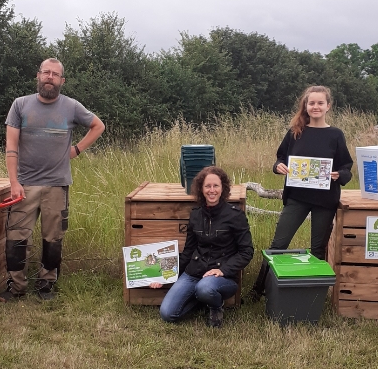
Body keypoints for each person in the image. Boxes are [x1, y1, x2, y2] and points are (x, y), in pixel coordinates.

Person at [0, 58, 105, 301]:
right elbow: (11, 145)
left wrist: (76, 150)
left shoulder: (71, 107)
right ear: (38, 76)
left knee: (53, 239)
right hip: (24, 184)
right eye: (45, 73)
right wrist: (14, 182)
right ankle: (16, 287)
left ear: (62, 81)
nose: (49, 77)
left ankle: (46, 284)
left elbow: (98, 126)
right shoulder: (20, 105)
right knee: (16, 237)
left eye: (55, 74)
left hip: (57, 185)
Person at [250, 85, 353, 299]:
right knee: (278, 245)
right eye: (311, 103)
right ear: (305, 106)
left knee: (317, 250)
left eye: (320, 103)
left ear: (328, 106)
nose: (316, 106)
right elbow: (280, 159)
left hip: (325, 201)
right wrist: (278, 167)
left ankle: (313, 294)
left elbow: (346, 167)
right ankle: (258, 290)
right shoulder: (295, 132)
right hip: (297, 198)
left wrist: (339, 175)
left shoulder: (335, 135)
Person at [150, 166, 254, 327]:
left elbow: (246, 252)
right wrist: (164, 275)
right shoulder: (195, 215)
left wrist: (223, 270)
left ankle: (215, 306)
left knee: (205, 288)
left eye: (216, 186)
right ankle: (201, 300)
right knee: (167, 313)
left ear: (223, 188)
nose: (211, 190)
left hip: (221, 277)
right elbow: (188, 252)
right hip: (193, 273)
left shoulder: (235, 215)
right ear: (201, 188)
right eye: (207, 186)